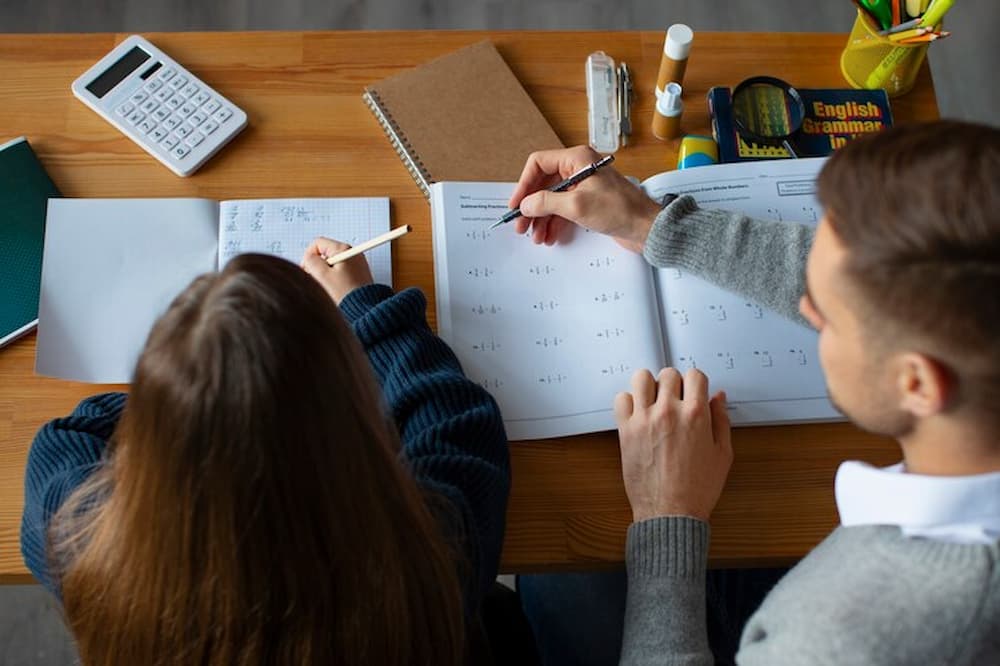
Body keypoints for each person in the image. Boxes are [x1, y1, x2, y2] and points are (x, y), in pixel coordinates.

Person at [510, 121, 1000, 664]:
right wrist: (655, 226)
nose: (806, 309)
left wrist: (666, 513)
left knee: (556, 563)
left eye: (829, 315)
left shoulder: (849, 638)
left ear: (917, 383)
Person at [20, 240, 511, 666]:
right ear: (350, 413)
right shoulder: (430, 562)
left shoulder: (85, 545)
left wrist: (194, 399)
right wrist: (364, 307)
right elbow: (454, 417)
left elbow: (65, 436)